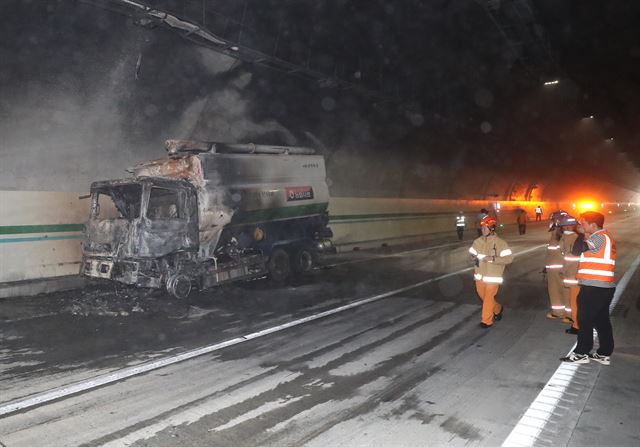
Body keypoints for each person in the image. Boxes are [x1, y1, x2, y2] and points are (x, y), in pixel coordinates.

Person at [561, 211, 616, 365]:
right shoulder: (603, 237)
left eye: (583, 223)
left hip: (595, 287)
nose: (580, 225)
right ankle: (604, 353)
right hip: (602, 286)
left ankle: (581, 353)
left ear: (593, 224)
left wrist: (580, 234)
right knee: (601, 320)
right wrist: (584, 234)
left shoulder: (599, 237)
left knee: (584, 319)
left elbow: (577, 250)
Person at [469, 215, 513, 328]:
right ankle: (498, 309)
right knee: (483, 296)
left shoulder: (500, 243)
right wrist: (473, 257)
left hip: (493, 277)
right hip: (479, 276)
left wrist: (493, 259)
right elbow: (472, 253)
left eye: (485, 228)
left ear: (492, 229)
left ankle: (486, 321)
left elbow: (509, 259)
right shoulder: (477, 242)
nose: (482, 230)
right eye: (482, 228)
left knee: (488, 298)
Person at [559, 214, 580, 334]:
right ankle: (577, 323)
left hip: (573, 275)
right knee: (574, 301)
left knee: (574, 302)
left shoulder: (571, 238)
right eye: (564, 226)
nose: (566, 228)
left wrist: (563, 270)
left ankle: (577, 326)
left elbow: (570, 258)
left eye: (568, 226)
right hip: (574, 275)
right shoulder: (569, 237)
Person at [545, 211, 569, 320]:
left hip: (559, 268)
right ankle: (560, 312)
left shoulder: (561, 234)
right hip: (555, 268)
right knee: (558, 291)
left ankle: (568, 315)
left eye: (553, 219)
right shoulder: (557, 233)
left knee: (562, 290)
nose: (551, 221)